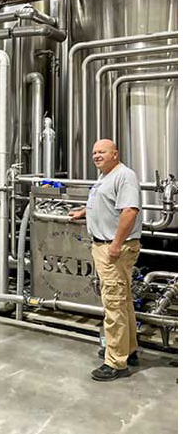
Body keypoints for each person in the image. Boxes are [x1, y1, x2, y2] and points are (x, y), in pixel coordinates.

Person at [70, 139, 142, 381]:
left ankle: (115, 362)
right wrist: (83, 211)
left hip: (114, 248)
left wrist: (116, 245)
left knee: (113, 303)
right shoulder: (105, 177)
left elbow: (130, 211)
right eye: (94, 153)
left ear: (115, 154)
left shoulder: (124, 175)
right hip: (104, 245)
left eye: (102, 152)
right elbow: (103, 203)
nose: (96, 156)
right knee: (123, 300)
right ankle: (128, 349)